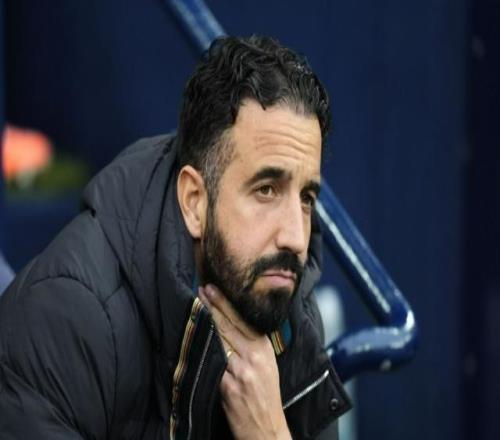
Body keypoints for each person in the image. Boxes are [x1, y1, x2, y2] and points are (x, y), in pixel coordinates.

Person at [0, 35, 351, 439]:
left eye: (306, 198)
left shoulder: (284, 304)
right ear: (194, 201)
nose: (295, 237)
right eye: (266, 189)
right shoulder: (67, 319)